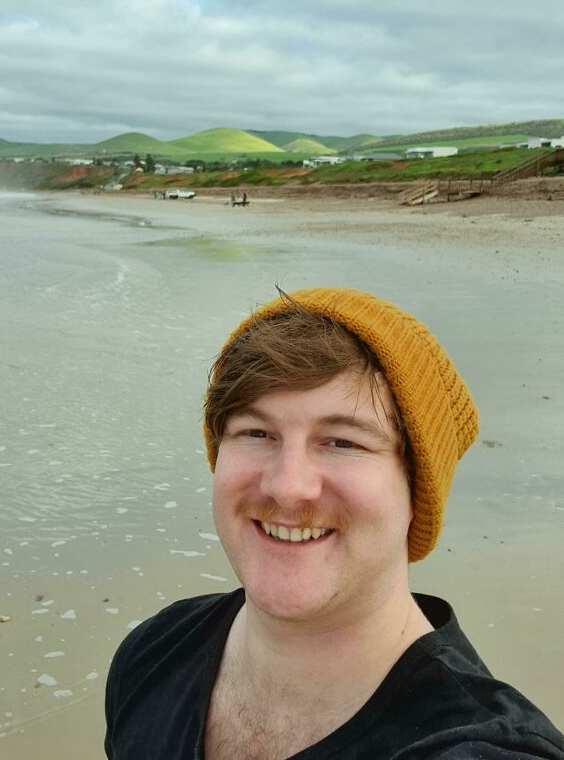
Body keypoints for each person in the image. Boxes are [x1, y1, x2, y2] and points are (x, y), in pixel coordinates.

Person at [105, 287, 564, 759]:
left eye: (342, 442)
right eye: (256, 433)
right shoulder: (153, 654)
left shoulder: (477, 746)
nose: (288, 486)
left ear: (416, 491)